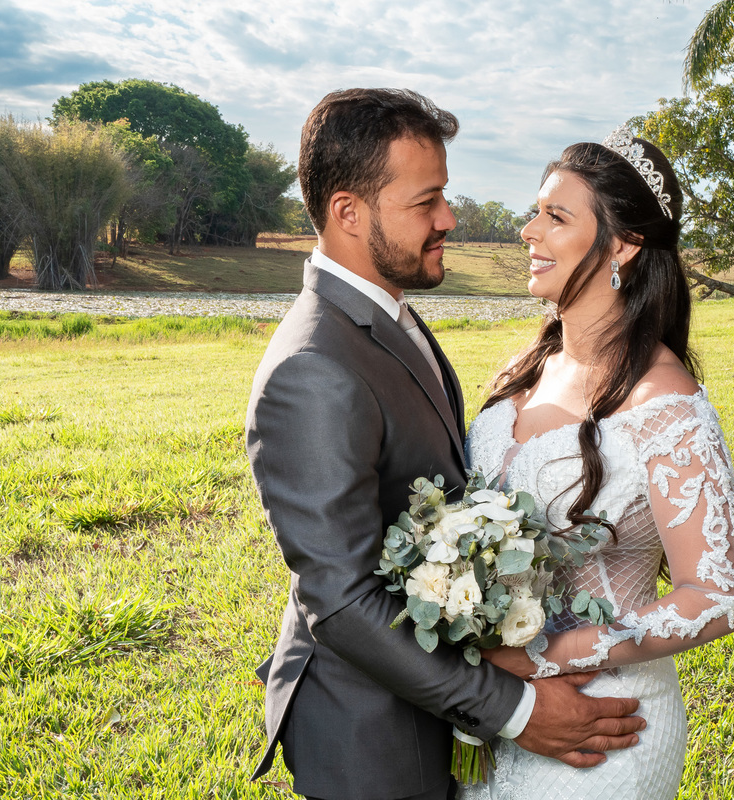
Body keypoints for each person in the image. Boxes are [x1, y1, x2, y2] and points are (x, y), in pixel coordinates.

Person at [245, 89, 646, 800]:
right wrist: (516, 712)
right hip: (374, 742)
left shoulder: (387, 316)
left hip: (438, 710)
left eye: (446, 196)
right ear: (347, 212)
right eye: (425, 202)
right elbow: (339, 605)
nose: (449, 220)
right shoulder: (313, 368)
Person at [460, 129, 734, 799]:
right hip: (496, 720)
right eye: (535, 211)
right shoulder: (522, 370)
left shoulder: (665, 404)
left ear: (623, 244)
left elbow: (715, 597)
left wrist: (542, 658)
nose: (528, 230)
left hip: (604, 726)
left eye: (555, 217)